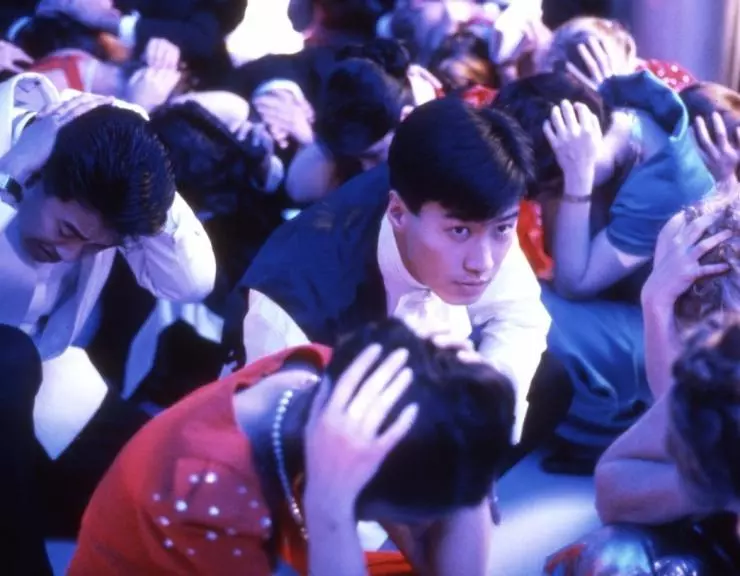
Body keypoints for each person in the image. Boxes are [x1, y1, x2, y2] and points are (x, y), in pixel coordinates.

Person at [69, 318, 515, 575]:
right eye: (418, 519)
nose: (418, 530)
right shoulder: (205, 497)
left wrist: (460, 406)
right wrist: (330, 509)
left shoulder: (338, 390)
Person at [239, 96, 551, 441]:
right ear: (398, 213)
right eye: (459, 231)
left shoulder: (478, 213)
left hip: (422, 400)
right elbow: (274, 446)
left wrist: (486, 409)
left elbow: (519, 314)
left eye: (503, 229)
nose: (483, 264)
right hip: (328, 441)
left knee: (550, 381)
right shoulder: (287, 309)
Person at [0, 72, 216, 571]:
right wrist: (8, 176)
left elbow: (191, 281)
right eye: (66, 229)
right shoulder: (17, 153)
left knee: (174, 495)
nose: (68, 253)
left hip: (43, 378)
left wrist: (141, 169)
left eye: (93, 246)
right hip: (10, 367)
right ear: (38, 172)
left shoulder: (93, 179)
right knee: (10, 359)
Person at [493, 67, 714, 470]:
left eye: (546, 192)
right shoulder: (614, 119)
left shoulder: (668, 183)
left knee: (529, 308)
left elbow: (574, 282)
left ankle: (610, 431)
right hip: (631, 304)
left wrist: (576, 182)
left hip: (677, 332)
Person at [544, 191, 740, 574]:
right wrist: (716, 480)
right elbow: (613, 488)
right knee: (606, 562)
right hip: (708, 541)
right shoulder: (721, 376)